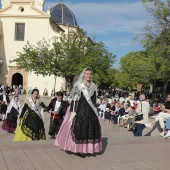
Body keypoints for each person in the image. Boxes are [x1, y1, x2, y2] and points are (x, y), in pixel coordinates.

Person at [54, 68, 102, 157]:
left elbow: (93, 100)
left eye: (90, 74)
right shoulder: (79, 84)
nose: (89, 76)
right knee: (79, 128)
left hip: (89, 109)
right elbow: (75, 99)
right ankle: (78, 149)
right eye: (87, 74)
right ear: (84, 74)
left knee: (89, 128)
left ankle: (86, 148)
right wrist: (73, 111)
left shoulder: (93, 85)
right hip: (79, 108)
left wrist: (95, 110)